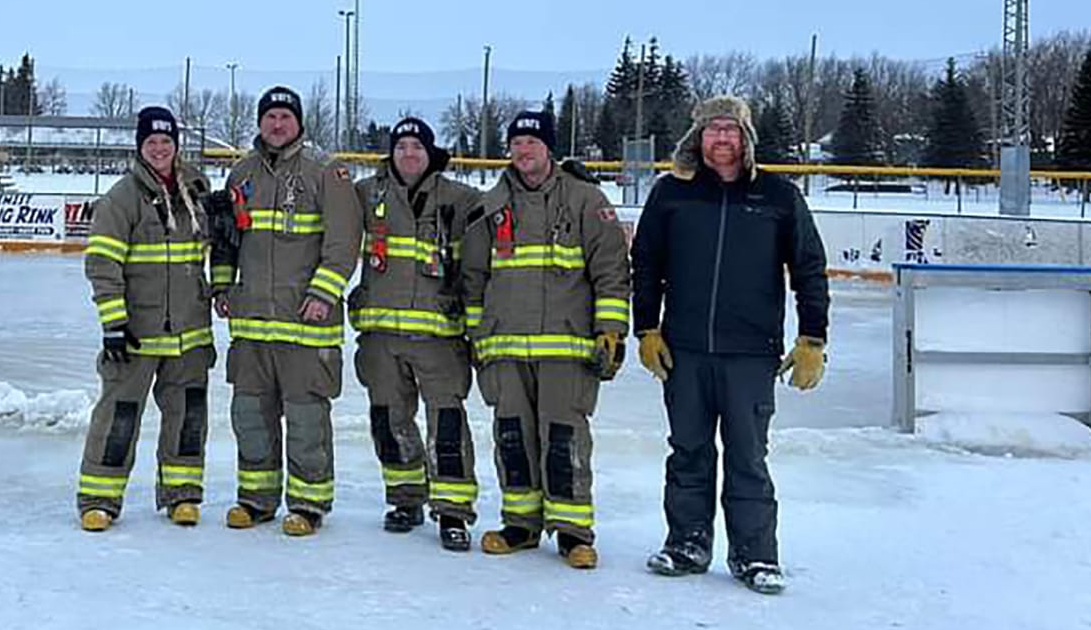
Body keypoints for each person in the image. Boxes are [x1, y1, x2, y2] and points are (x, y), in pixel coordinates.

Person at [631, 95, 829, 594]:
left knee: (747, 456)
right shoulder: (671, 194)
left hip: (751, 351)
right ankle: (687, 542)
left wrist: (812, 337)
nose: (722, 138)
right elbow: (647, 264)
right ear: (697, 138)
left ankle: (755, 554)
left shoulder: (778, 196)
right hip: (686, 349)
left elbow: (808, 268)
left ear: (746, 139)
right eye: (713, 129)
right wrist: (646, 328)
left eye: (731, 129)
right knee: (689, 451)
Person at [459, 109, 631, 569]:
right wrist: (478, 334)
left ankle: (574, 533)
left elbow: (612, 272)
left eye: (532, 143)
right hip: (506, 349)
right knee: (512, 437)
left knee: (564, 439)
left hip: (566, 348)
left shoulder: (586, 200)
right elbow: (473, 277)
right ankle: (521, 525)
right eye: (516, 143)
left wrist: (610, 331)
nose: (523, 150)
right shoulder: (491, 205)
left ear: (549, 148)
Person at [213, 86, 363, 537]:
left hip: (305, 326)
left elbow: (342, 245)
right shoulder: (241, 174)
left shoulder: (326, 173)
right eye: (270, 117)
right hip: (253, 324)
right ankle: (256, 499)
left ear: (298, 123)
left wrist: (323, 294)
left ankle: (308, 503)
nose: (277, 125)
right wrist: (223, 284)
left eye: (285, 117)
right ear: (259, 123)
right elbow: (225, 239)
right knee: (250, 415)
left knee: (305, 420)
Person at [77, 106, 216, 531]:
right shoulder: (122, 197)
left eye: (167, 141)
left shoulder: (196, 189)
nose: (160, 149)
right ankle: (100, 498)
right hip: (137, 333)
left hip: (189, 331)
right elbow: (103, 263)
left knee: (189, 416)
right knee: (119, 417)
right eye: (152, 142)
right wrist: (114, 324)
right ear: (140, 147)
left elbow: (212, 249)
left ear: (177, 145)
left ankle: (182, 495)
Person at [349, 116, 484, 552]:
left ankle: (453, 509)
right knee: (389, 421)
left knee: (446, 424)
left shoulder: (460, 199)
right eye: (401, 146)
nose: (409, 154)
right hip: (381, 336)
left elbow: (507, 209)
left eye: (417, 147)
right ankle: (405, 498)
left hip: (439, 337)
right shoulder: (367, 194)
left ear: (431, 153)